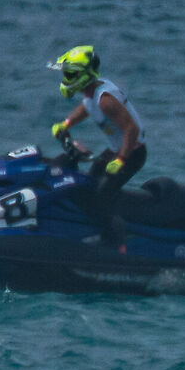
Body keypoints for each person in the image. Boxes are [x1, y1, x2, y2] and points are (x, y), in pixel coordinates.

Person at [48, 45, 146, 246]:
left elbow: (131, 130)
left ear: (84, 75)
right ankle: (88, 229)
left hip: (132, 153)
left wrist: (121, 160)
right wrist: (66, 123)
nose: (66, 79)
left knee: (102, 197)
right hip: (115, 150)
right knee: (87, 185)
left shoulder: (106, 101)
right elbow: (85, 108)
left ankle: (117, 243)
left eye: (70, 74)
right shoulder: (92, 93)